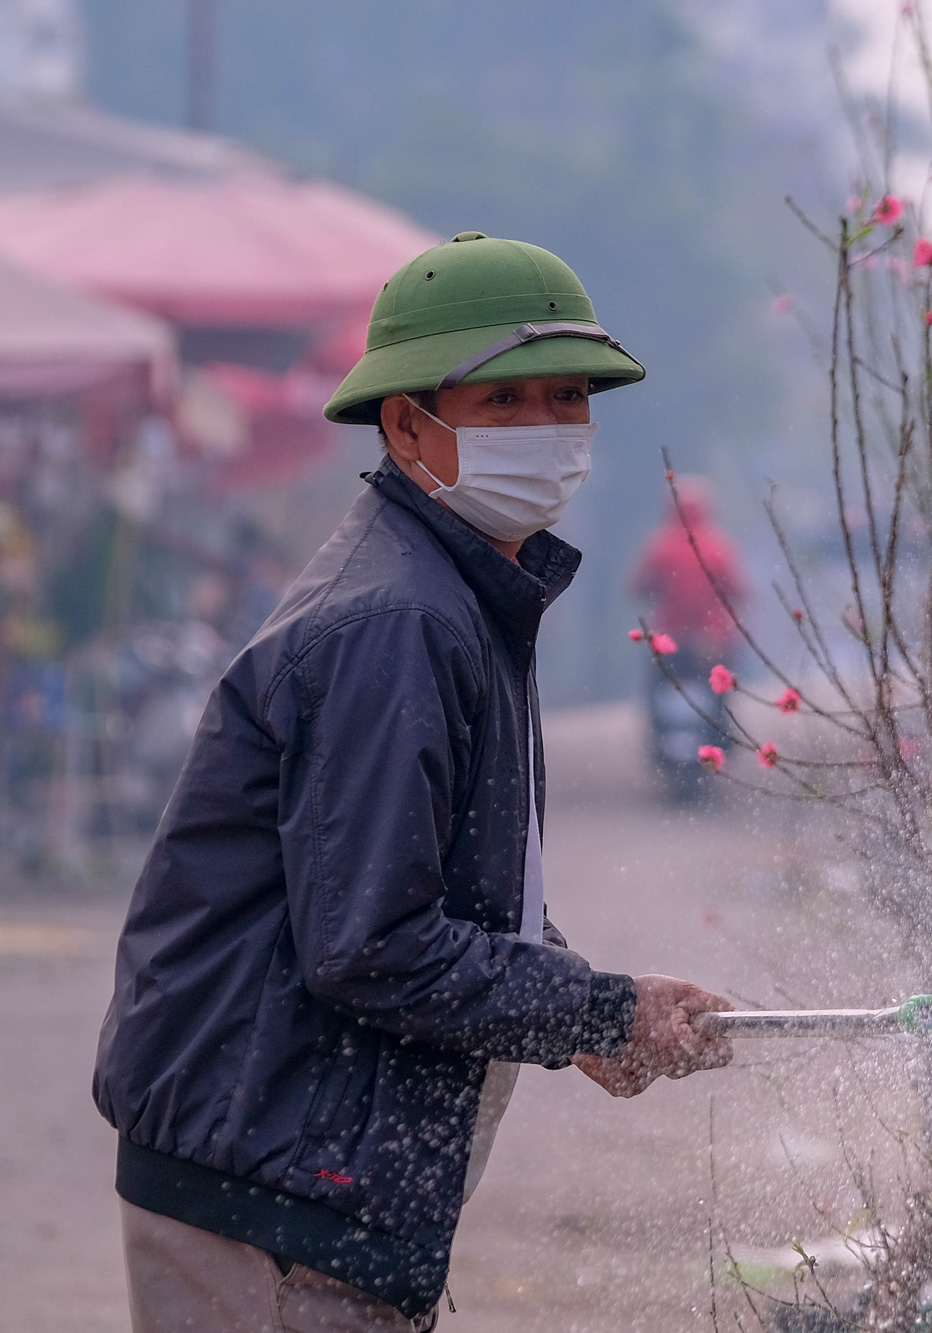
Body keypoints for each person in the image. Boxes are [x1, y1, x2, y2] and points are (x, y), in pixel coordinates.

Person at [93, 232, 734, 1332]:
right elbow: (374, 941)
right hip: (273, 1197)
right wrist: (594, 1006)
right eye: (504, 403)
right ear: (406, 424)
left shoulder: (459, 590)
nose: (547, 429)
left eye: (566, 397)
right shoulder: (395, 621)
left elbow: (447, 882)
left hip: (299, 1170)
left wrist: (586, 1012)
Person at [628, 477, 745, 794]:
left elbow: (638, 585)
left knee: (655, 688)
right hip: (712, 643)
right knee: (721, 695)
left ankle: (659, 738)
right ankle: (720, 737)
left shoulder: (660, 546)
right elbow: (739, 589)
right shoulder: (718, 546)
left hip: (670, 642)